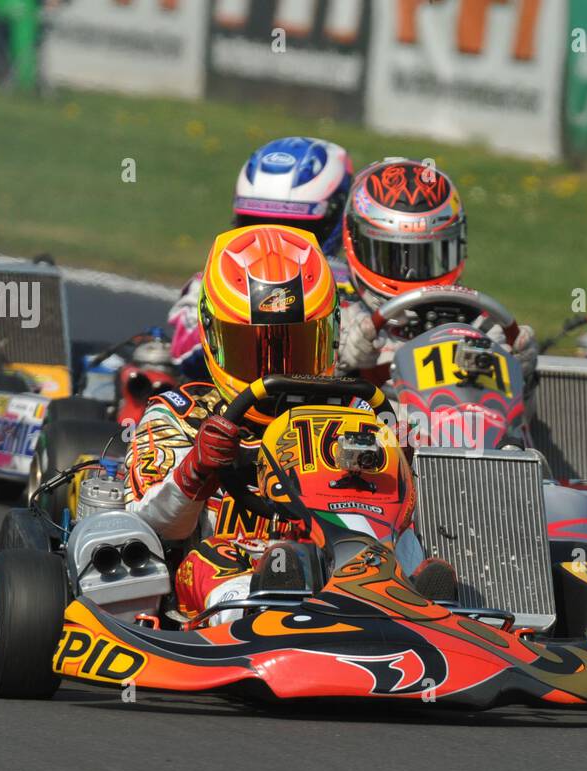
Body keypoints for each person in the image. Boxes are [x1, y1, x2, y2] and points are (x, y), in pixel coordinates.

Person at [127, 223, 338, 617]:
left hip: (329, 568)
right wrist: (197, 468)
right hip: (211, 578)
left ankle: (413, 603)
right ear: (213, 336)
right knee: (216, 554)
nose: (278, 371)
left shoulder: (351, 415)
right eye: (253, 351)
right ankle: (248, 612)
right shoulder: (181, 414)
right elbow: (151, 525)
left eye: (299, 347)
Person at [334, 157, 538, 384]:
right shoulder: (335, 309)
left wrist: (517, 370)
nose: (410, 272)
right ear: (353, 239)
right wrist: (342, 360)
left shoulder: (475, 321)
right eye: (391, 254)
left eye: (423, 255)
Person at [167, 137, 352, 379]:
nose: (273, 244)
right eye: (255, 226)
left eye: (291, 228)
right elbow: (183, 353)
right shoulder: (215, 284)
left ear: (332, 217)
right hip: (230, 408)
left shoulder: (356, 288)